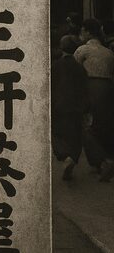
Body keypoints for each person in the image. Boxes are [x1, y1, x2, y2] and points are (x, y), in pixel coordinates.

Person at [74, 18, 114, 181]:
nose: (80, 34)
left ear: (88, 32)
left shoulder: (82, 50)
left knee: (85, 125)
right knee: (103, 125)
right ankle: (102, 161)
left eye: (82, 30)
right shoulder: (108, 52)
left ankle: (102, 162)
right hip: (108, 88)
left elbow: (75, 73)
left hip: (89, 87)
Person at [52, 35, 88, 180]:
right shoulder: (79, 68)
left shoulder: (55, 66)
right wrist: (85, 107)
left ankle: (64, 155)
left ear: (61, 48)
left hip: (58, 105)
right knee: (75, 134)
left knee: (58, 134)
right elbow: (84, 88)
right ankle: (72, 157)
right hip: (75, 107)